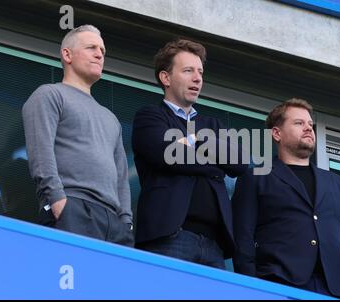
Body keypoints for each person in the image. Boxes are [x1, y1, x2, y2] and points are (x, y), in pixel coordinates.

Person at [232, 98, 340, 299]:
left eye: (310, 124)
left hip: (336, 290)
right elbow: (242, 239)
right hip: (278, 284)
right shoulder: (256, 178)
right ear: (277, 133)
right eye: (298, 123)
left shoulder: (338, 184)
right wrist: (253, 288)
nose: (308, 128)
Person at [132, 39, 247, 268]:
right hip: (169, 237)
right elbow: (168, 154)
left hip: (214, 244)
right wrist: (214, 161)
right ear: (166, 78)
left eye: (200, 73)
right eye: (188, 71)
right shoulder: (150, 116)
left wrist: (196, 139)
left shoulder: (212, 124)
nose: (197, 78)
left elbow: (240, 163)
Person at [22, 25, 133, 247]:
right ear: (67, 54)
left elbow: (122, 176)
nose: (99, 54)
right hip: (72, 208)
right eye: (91, 47)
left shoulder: (110, 118)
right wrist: (58, 202)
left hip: (114, 224)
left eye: (102, 50)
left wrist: (126, 222)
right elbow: (41, 155)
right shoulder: (49, 95)